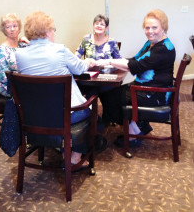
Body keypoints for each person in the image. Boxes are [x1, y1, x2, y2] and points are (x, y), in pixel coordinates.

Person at [15, 11, 97, 166]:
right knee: (92, 110)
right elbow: (79, 69)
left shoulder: (19, 54)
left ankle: (57, 145)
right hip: (64, 115)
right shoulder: (60, 50)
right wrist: (89, 62)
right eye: (53, 30)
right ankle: (75, 155)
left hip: (33, 115)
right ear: (47, 32)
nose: (54, 33)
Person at [97, 9, 176, 146]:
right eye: (147, 27)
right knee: (110, 91)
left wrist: (108, 62)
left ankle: (134, 133)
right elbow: (135, 59)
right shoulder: (151, 43)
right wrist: (114, 62)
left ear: (163, 27)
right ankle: (140, 125)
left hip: (154, 94)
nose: (150, 31)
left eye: (154, 27)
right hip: (147, 88)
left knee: (108, 95)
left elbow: (135, 66)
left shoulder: (162, 49)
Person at [75, 14, 122, 127]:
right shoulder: (86, 39)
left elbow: (119, 60)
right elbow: (76, 55)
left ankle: (104, 120)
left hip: (107, 77)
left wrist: (108, 64)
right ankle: (94, 121)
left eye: (102, 24)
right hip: (89, 77)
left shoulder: (112, 41)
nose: (99, 26)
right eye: (96, 23)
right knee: (90, 92)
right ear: (93, 25)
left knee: (109, 94)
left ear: (106, 28)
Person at [0, 13, 29, 97]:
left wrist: (28, 42)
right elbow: (2, 77)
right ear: (4, 30)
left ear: (19, 28)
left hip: (26, 83)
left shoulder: (23, 46)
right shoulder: (1, 51)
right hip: (9, 86)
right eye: (8, 27)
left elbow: (37, 58)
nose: (12, 29)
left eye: (15, 26)